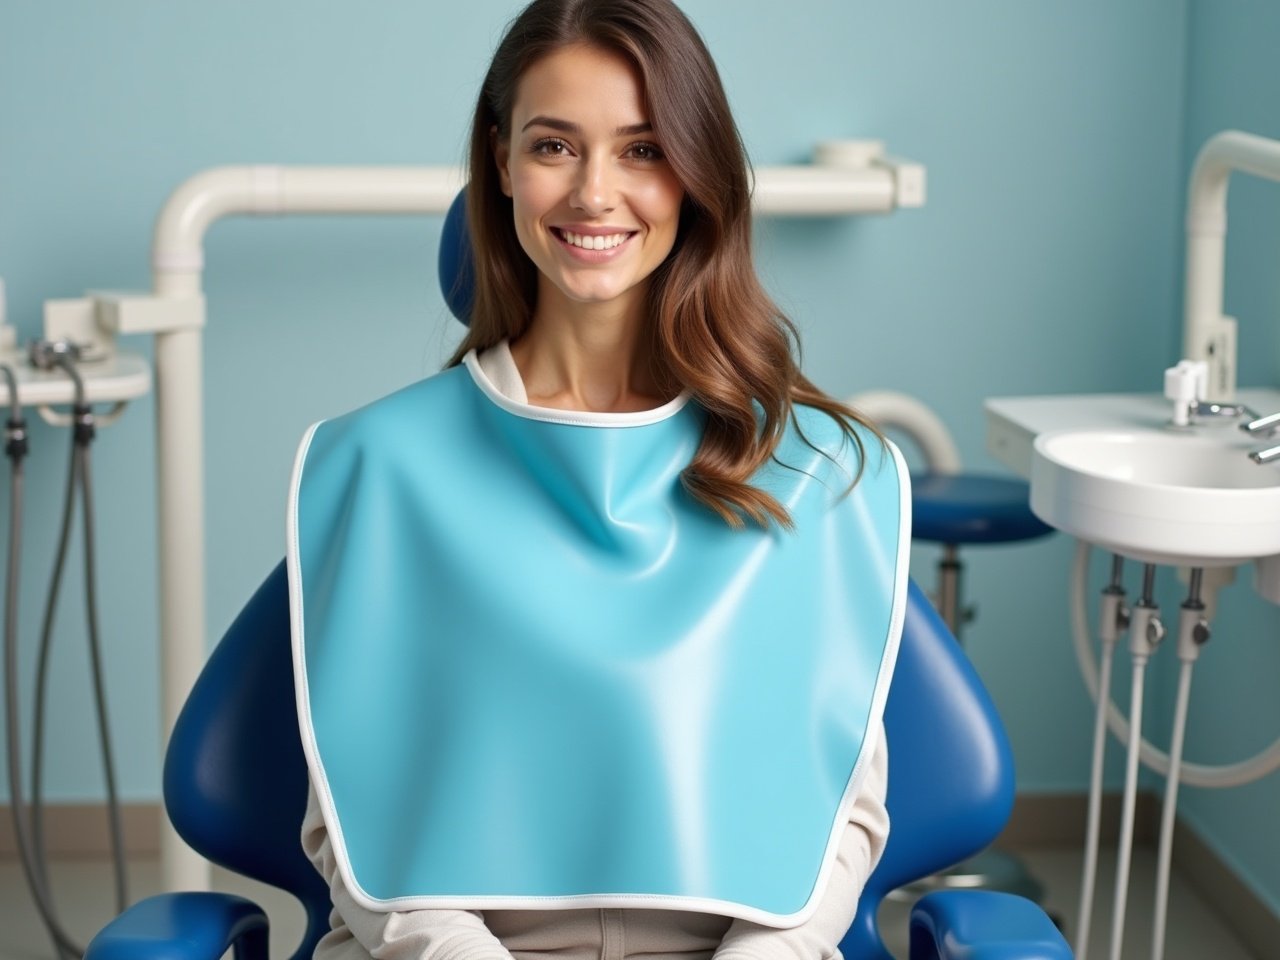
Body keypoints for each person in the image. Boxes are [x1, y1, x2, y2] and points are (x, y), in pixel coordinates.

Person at [288, 2, 909, 959]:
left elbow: (839, 813)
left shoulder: (816, 470)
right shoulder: (378, 467)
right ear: (499, 163)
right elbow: (360, 817)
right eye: (553, 146)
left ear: (696, 174)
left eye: (643, 149)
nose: (593, 193)